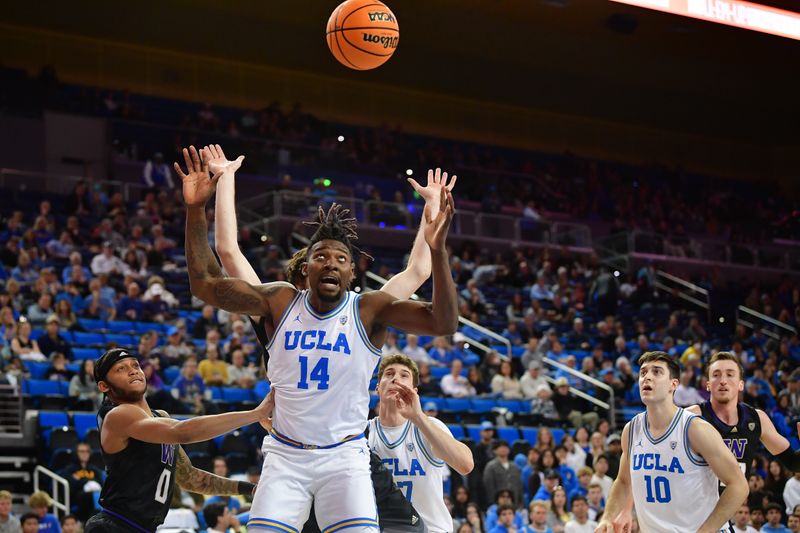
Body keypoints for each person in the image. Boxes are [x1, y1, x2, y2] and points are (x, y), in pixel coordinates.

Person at [177, 145, 459, 532]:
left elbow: (420, 278)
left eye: (341, 260)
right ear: (304, 271)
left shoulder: (366, 308)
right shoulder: (275, 304)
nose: (330, 265)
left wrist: (434, 233)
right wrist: (203, 202)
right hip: (287, 455)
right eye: (320, 259)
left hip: (345, 455)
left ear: (351, 275)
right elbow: (222, 260)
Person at [82, 348, 272, 532]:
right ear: (104, 386)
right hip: (115, 524)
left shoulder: (160, 416)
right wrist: (255, 414)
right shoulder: (118, 415)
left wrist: (250, 489)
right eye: (121, 369)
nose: (132, 371)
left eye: (135, 365)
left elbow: (190, 479)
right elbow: (182, 431)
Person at [594, 351, 748, 533]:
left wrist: (705, 531)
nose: (647, 377)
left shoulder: (695, 429)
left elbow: (738, 486)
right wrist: (608, 518)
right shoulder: (631, 430)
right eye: (643, 372)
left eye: (657, 372)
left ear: (673, 385)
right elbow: (624, 481)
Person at [368, 355, 473, 533]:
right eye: (389, 374)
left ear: (414, 391)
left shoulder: (427, 427)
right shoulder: (363, 433)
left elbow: (465, 465)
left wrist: (418, 417)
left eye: (404, 375)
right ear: (378, 388)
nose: (395, 378)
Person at [687, 351, 800, 489]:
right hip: (697, 507)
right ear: (708, 385)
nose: (723, 380)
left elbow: (794, 463)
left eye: (730, 374)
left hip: (734, 507)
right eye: (716, 375)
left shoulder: (757, 418)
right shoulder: (690, 416)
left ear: (741, 385)